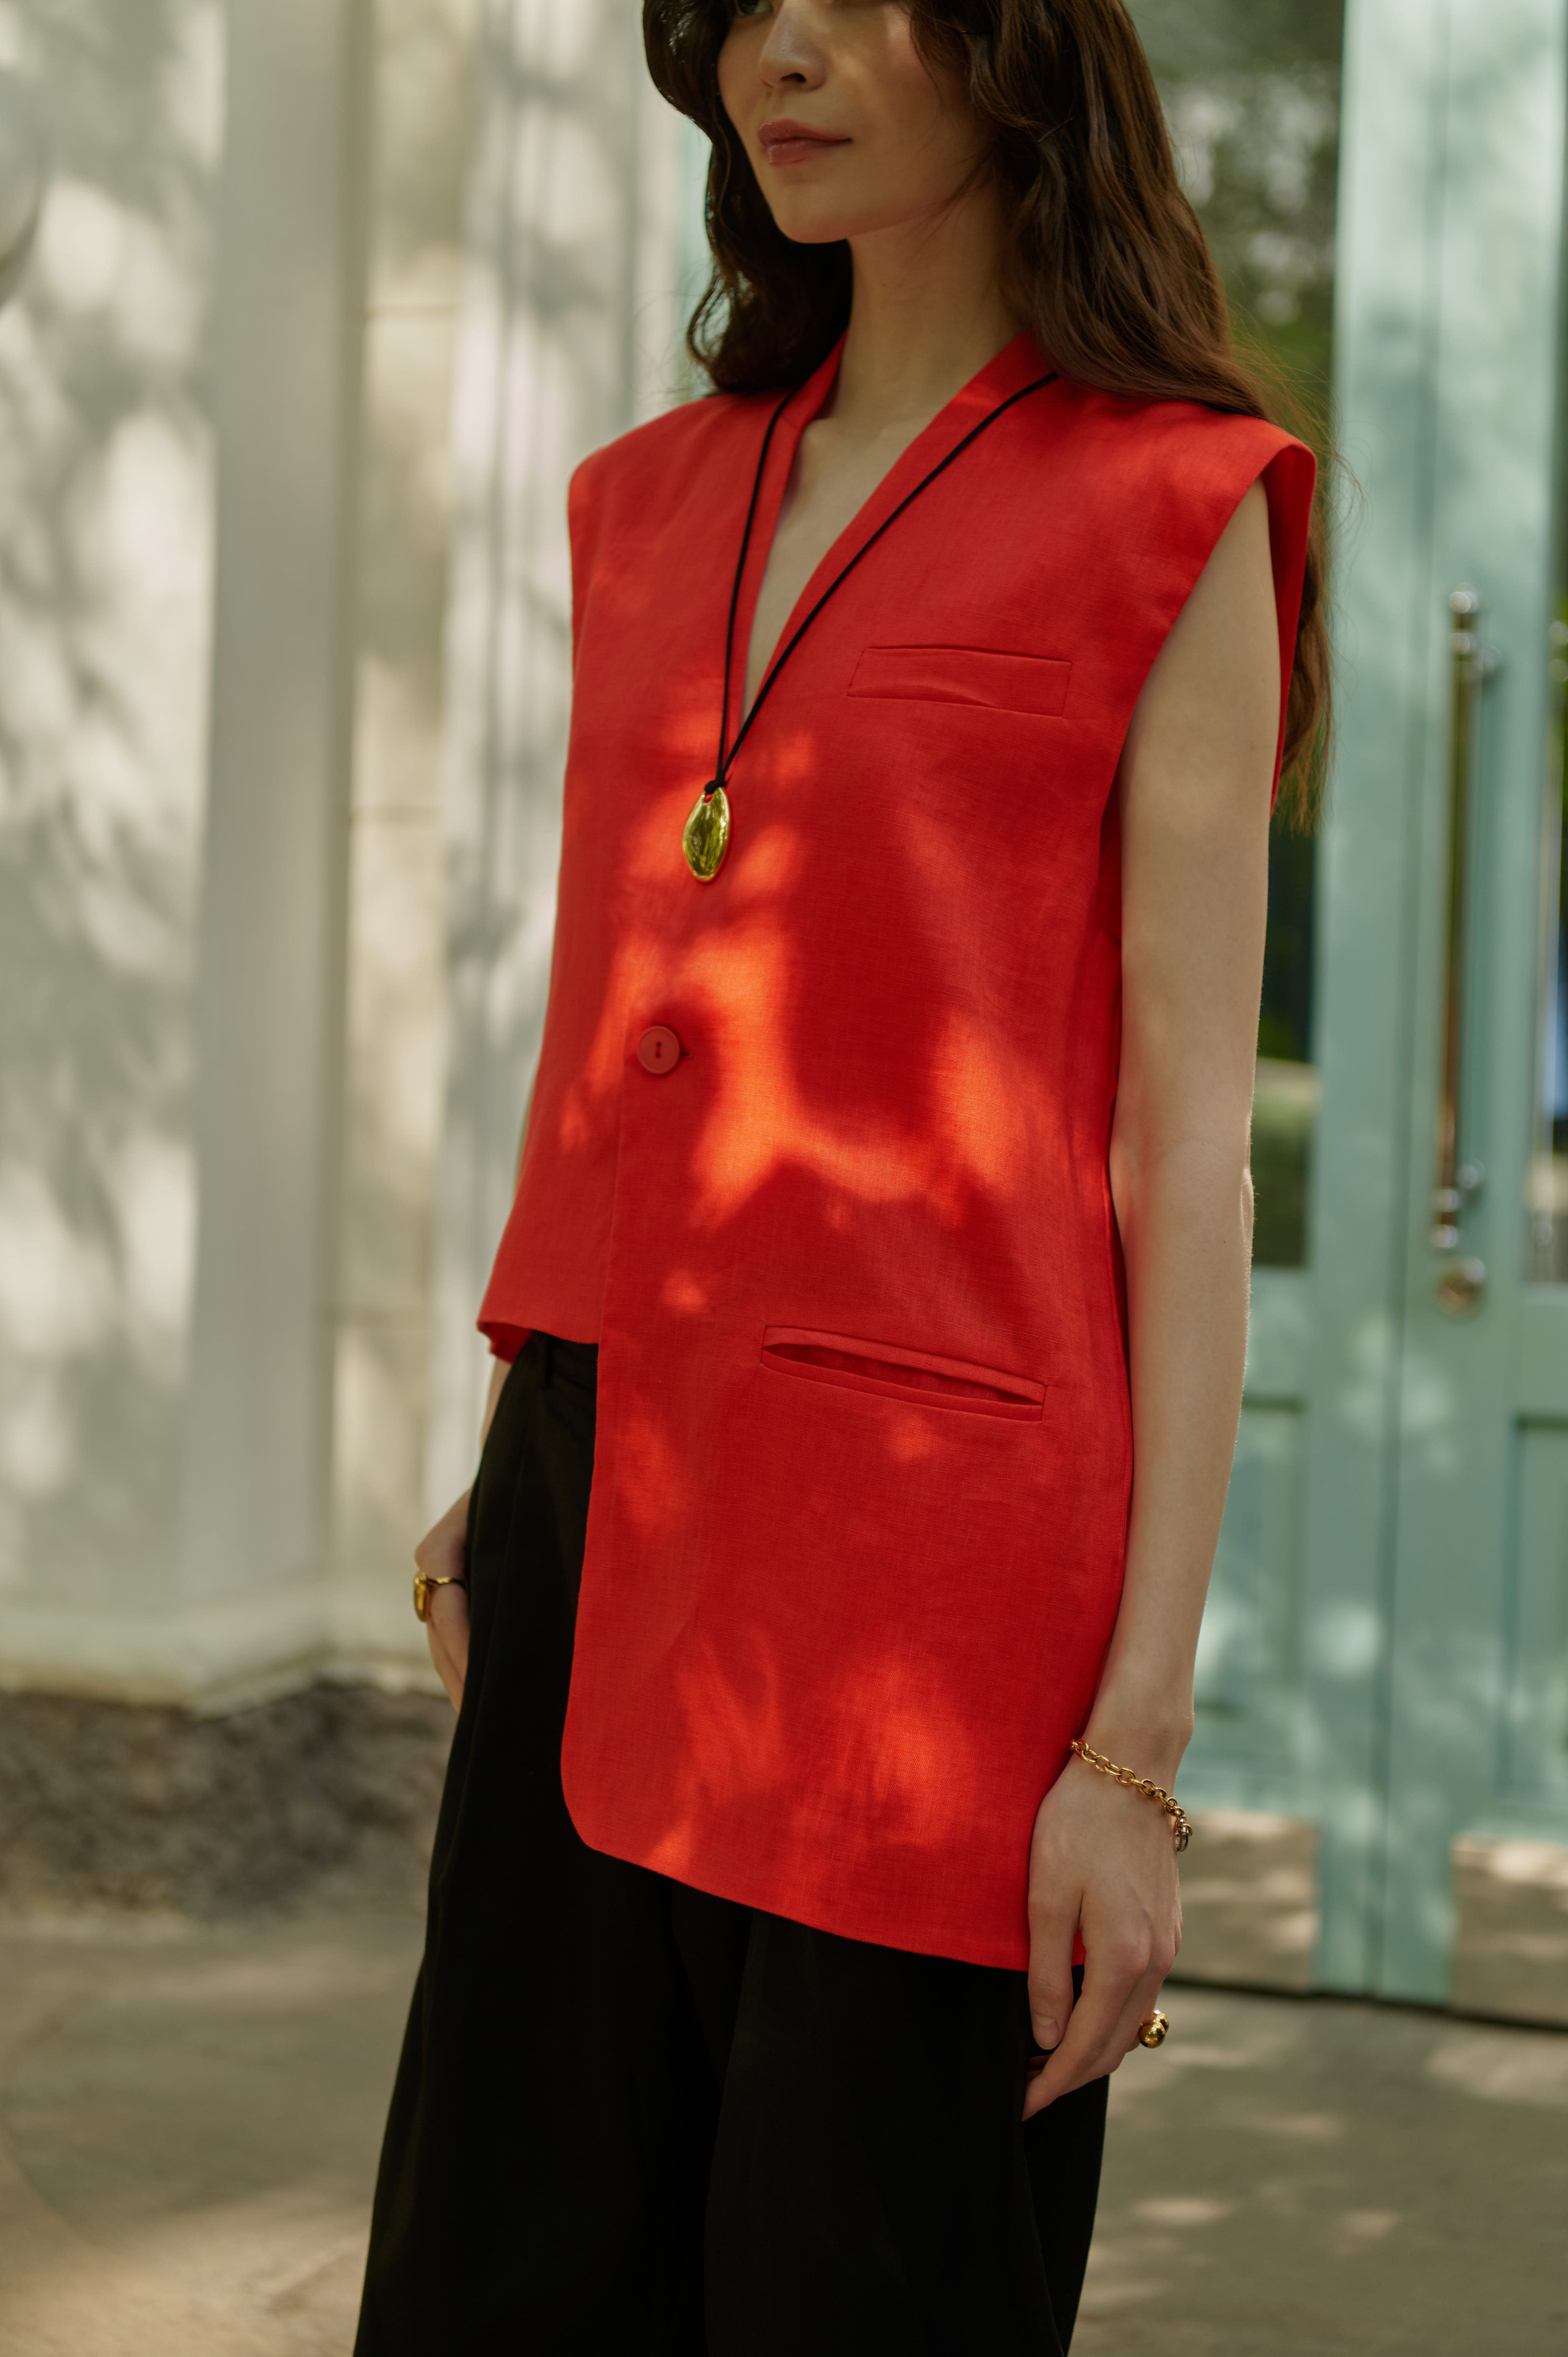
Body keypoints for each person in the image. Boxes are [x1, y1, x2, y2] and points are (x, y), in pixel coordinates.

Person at [354, 2, 1327, 2350]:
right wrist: (523, 1424)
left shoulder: (1173, 508)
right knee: (500, 2280)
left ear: (1014, 45)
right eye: (738, 9)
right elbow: (619, 1016)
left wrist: (1132, 1752)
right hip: (597, 1508)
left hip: (935, 1602)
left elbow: (1182, 1150)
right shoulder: (643, 503)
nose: (775, 50)